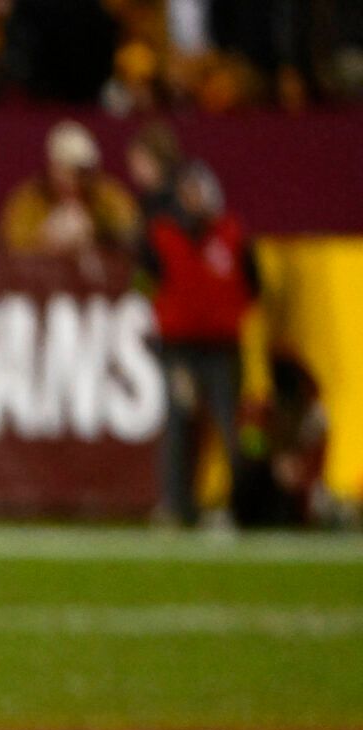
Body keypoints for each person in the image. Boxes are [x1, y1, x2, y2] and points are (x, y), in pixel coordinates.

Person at [142, 160, 263, 526]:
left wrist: (225, 315)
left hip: (222, 349)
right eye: (188, 194)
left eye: (199, 193)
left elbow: (253, 286)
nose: (194, 201)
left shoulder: (231, 234)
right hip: (179, 349)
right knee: (179, 428)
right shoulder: (161, 237)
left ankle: (244, 506)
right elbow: (143, 283)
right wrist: (161, 327)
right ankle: (178, 507)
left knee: (233, 429)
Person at [0, 120, 137, 257]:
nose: (75, 180)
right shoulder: (28, 200)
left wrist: (95, 235)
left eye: (82, 173)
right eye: (67, 170)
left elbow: (131, 238)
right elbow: (10, 250)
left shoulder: (107, 195)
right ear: (52, 167)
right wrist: (45, 243)